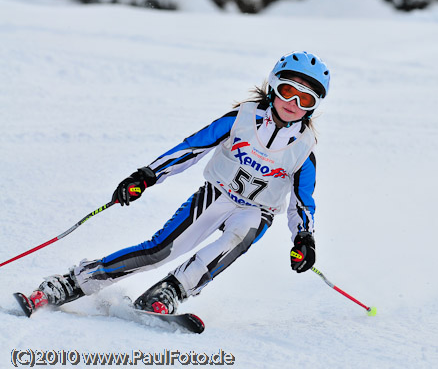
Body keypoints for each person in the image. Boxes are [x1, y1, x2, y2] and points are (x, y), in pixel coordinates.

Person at [23, 51, 330, 315]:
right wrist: (148, 175)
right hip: (218, 194)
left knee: (236, 241)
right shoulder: (241, 118)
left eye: (305, 98)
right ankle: (76, 281)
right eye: (288, 90)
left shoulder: (303, 149)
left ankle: (170, 291)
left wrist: (304, 238)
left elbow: (303, 202)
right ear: (273, 88)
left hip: (257, 211)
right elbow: (190, 149)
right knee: (161, 250)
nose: (293, 102)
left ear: (312, 106)